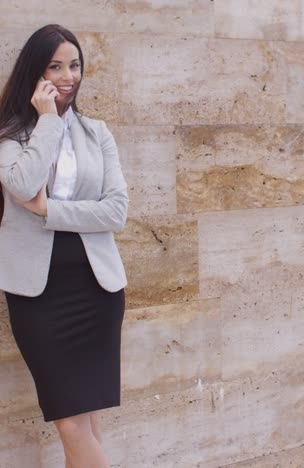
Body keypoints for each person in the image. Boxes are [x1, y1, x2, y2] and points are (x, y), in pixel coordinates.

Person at [0, 24, 128, 467]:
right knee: (70, 422)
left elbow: (116, 211)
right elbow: (22, 183)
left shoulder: (98, 133)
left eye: (74, 65)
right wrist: (48, 120)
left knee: (87, 424)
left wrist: (50, 211)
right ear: (35, 72)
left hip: (97, 290)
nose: (68, 76)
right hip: (39, 296)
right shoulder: (11, 135)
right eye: (55, 66)